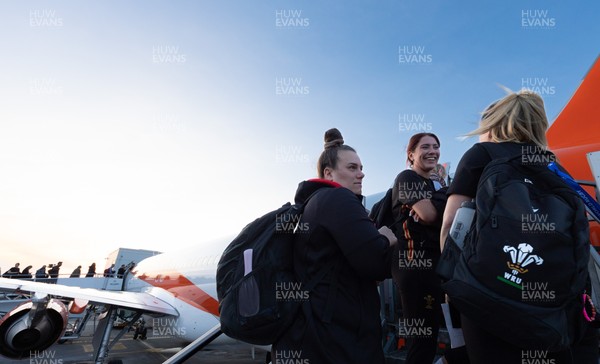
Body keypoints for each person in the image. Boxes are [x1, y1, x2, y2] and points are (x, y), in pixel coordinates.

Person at [441, 89, 598, 363]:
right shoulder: (555, 167)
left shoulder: (481, 154)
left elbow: (452, 225)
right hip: (546, 312)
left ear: (495, 123)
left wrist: (453, 282)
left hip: (487, 298)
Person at [273, 128, 398, 364]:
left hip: (317, 332)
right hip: (338, 339)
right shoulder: (338, 199)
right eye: (352, 168)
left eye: (361, 168)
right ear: (328, 173)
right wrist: (385, 238)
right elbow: (376, 263)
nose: (361, 174)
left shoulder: (314, 204)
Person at [390, 133, 449, 364]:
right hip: (415, 267)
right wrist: (443, 203)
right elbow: (429, 214)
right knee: (422, 342)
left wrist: (439, 196)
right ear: (411, 154)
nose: (432, 151)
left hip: (434, 268)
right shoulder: (407, 177)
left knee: (432, 337)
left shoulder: (433, 185)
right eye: (425, 147)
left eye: (436, 146)